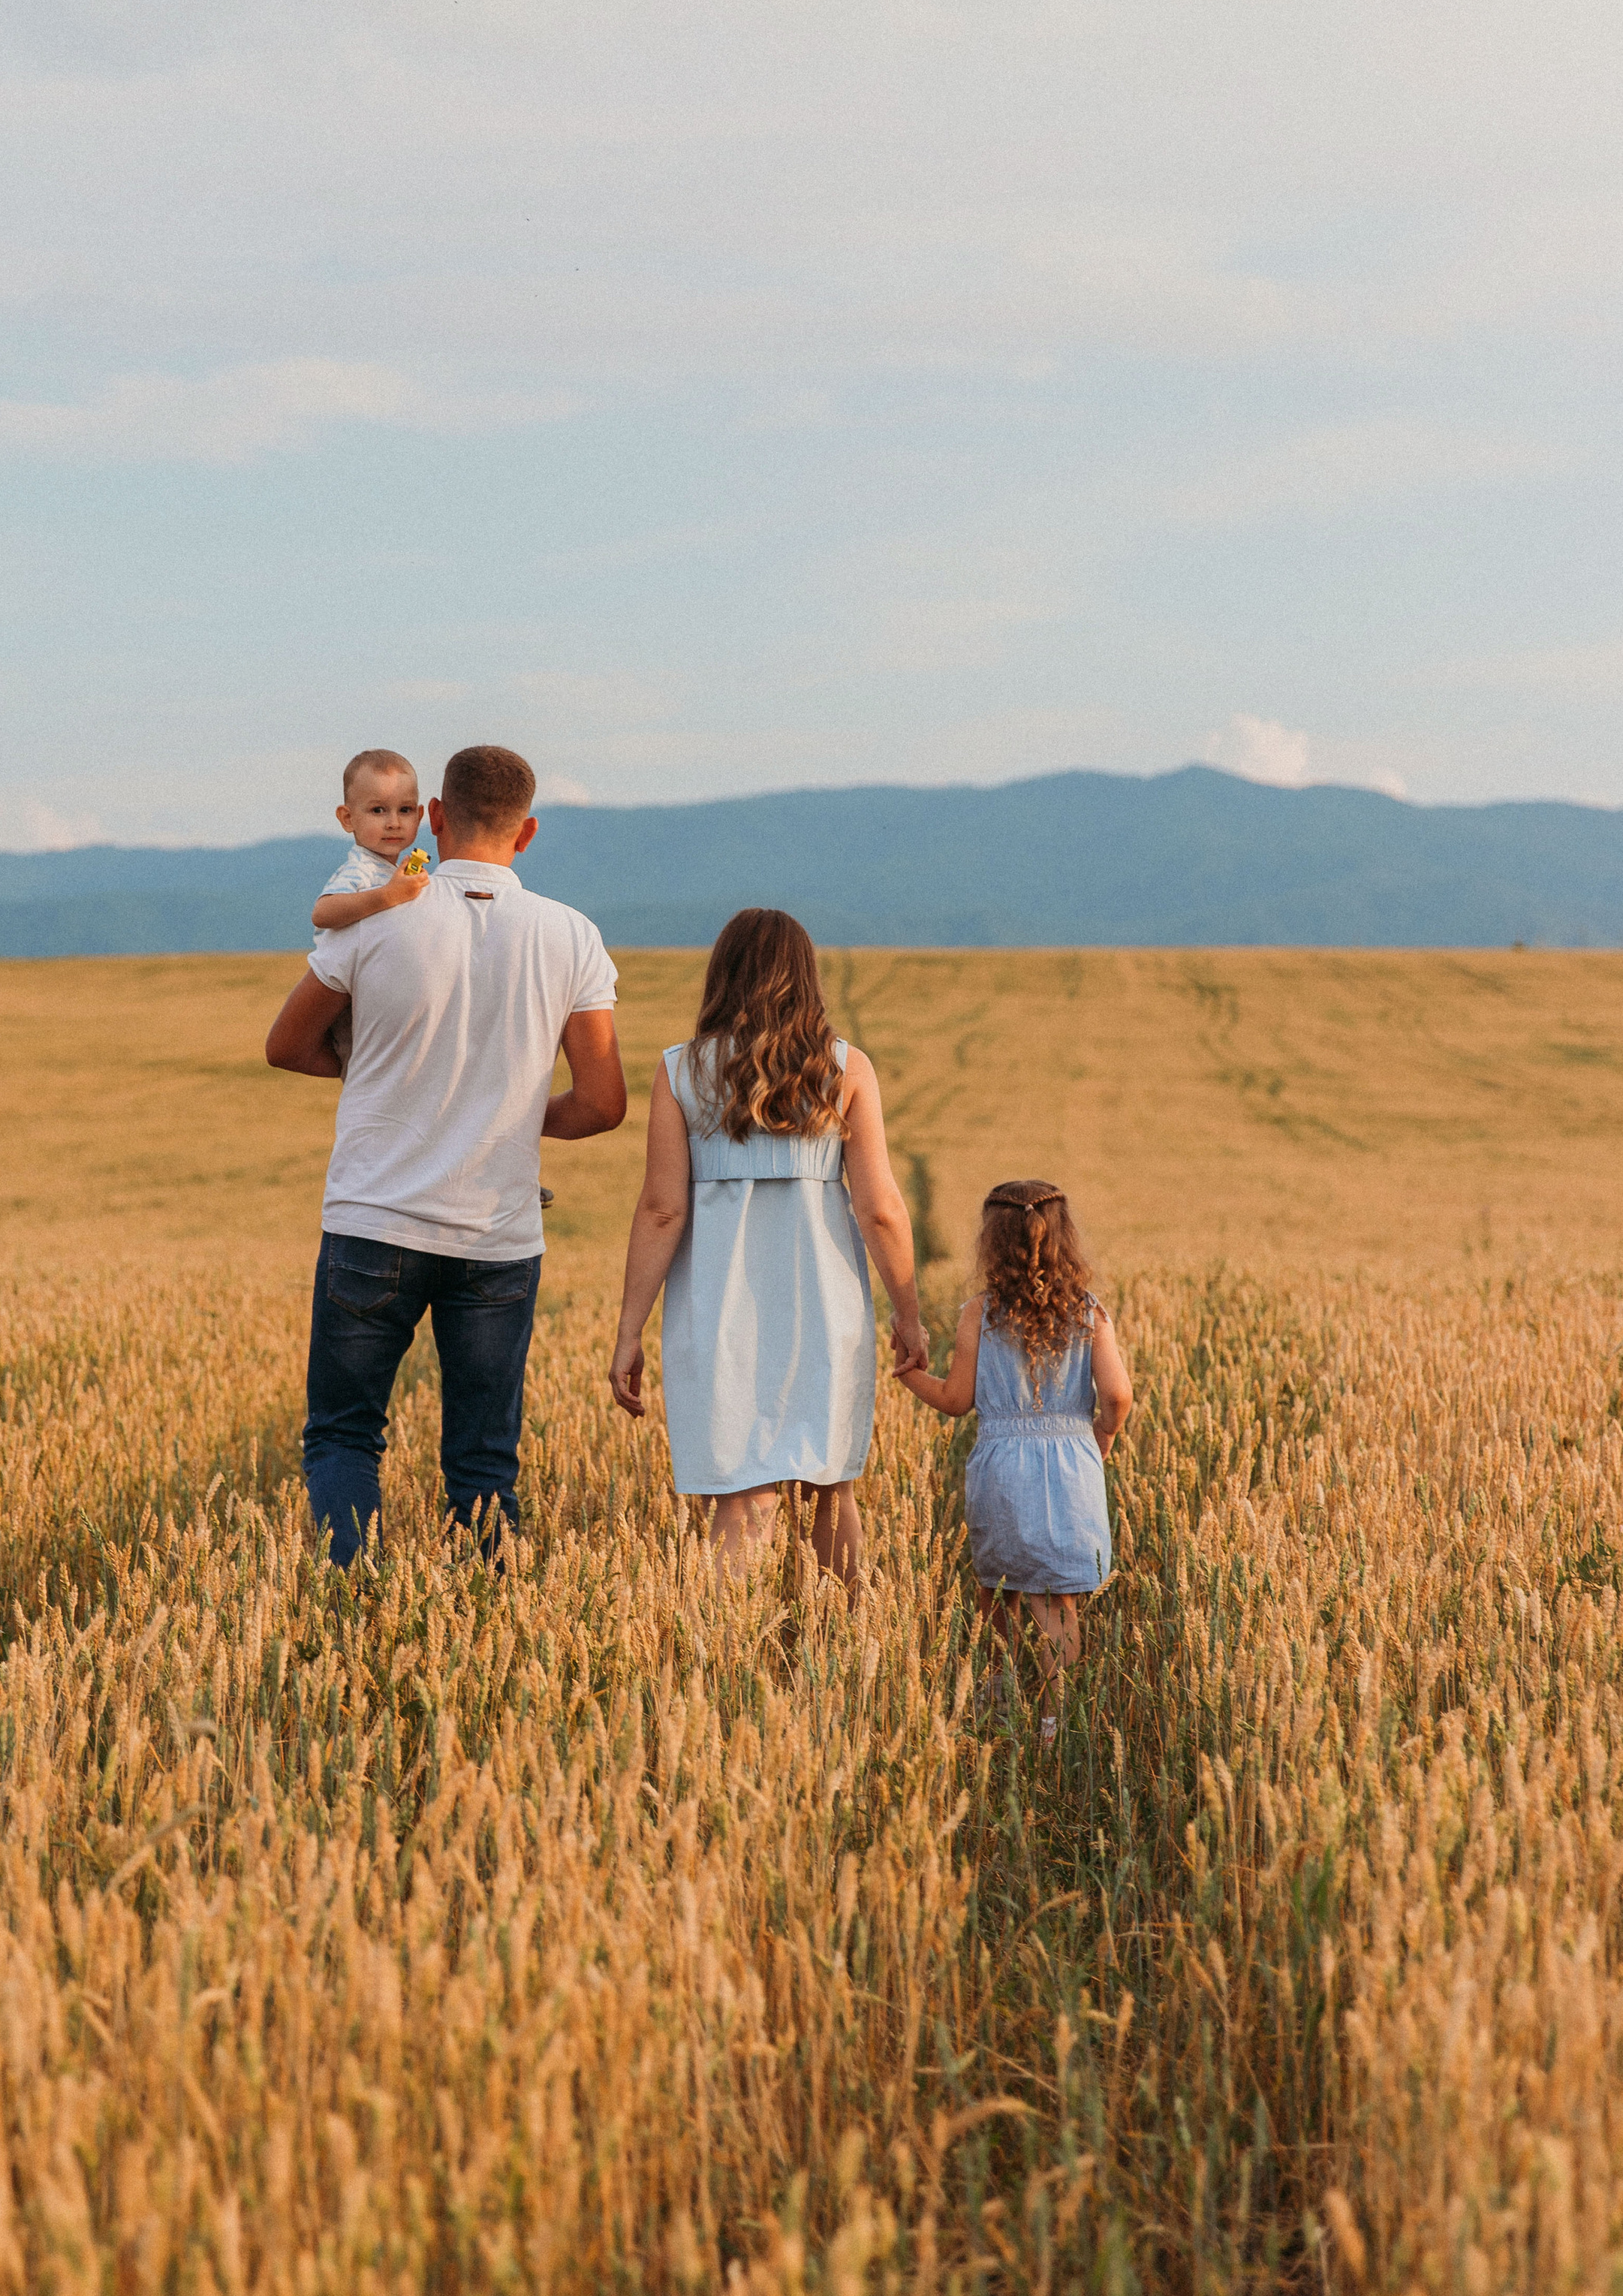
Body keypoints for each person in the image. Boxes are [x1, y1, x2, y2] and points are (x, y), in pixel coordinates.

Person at [265, 743, 627, 1565]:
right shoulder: (571, 935)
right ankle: (483, 1628)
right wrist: (500, 1113)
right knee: (483, 1461)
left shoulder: (378, 915)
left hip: (372, 1222)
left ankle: (349, 1610)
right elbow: (604, 1104)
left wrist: (392, 1086)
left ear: (432, 818)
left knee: (345, 1435)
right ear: (527, 832)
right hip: (495, 1236)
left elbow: (286, 1046)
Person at [609, 908, 927, 1589]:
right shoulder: (846, 1069)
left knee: (741, 1496)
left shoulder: (679, 1072)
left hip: (716, 1312)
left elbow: (663, 1210)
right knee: (830, 1487)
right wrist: (908, 1312)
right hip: (824, 1307)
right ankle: (850, 1659)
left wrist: (629, 1331)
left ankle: (724, 1669)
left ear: (722, 977)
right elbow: (880, 1209)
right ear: (806, 978)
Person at [899, 1178, 1132, 1746]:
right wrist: (1101, 1433)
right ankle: (1054, 1724)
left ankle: (996, 1703)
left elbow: (957, 1401)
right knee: (1058, 1603)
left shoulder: (980, 1313)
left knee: (996, 1592)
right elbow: (1119, 1395)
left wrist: (909, 1375)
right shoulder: (1089, 1313)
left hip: (1003, 1468)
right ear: (1064, 1237)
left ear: (991, 1241)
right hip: (1072, 1466)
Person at [306, 749, 434, 1079]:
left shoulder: (393, 869)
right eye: (378, 810)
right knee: (372, 1072)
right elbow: (323, 913)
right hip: (347, 1000)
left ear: (420, 816)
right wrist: (388, 896)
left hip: (375, 993)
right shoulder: (360, 870)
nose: (393, 822)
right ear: (348, 818)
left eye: (404, 810)